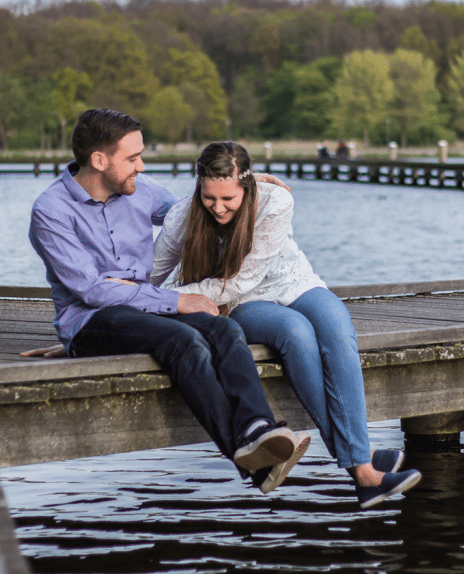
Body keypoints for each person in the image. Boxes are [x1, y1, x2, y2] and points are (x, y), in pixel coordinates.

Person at [26, 108, 310, 494]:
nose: (141, 167)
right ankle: (251, 461)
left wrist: (242, 183)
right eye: (132, 158)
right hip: (91, 320)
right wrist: (177, 302)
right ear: (99, 160)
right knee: (185, 340)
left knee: (225, 327)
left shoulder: (140, 191)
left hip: (145, 311)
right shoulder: (51, 212)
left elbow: (197, 207)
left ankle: (257, 427)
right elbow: (92, 290)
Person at [151, 141, 422, 509]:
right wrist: (120, 315)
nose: (217, 208)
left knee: (336, 325)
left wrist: (185, 293)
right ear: (198, 187)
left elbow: (247, 273)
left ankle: (361, 457)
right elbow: (153, 279)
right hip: (241, 302)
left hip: (293, 283)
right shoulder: (183, 216)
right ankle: (364, 470)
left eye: (228, 198)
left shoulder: (274, 201)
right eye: (209, 197)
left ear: (246, 187)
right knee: (296, 333)